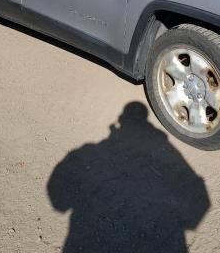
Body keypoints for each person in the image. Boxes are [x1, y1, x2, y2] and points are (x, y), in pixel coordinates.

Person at [47, 101, 210, 253]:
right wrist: (181, 222)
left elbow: (58, 199)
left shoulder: (91, 151)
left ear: (121, 120)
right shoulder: (163, 147)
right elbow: (199, 195)